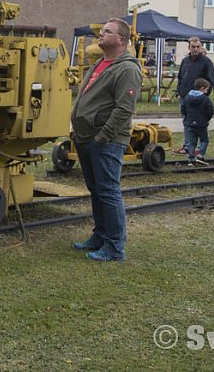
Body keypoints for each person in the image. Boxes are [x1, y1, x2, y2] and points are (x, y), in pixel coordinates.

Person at [70, 18, 142, 263]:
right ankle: (100, 236)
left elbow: (124, 109)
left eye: (107, 32)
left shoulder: (127, 68)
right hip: (86, 137)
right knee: (97, 190)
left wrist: (102, 137)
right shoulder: (101, 63)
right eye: (102, 31)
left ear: (121, 39)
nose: (101, 34)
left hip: (105, 140)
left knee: (109, 192)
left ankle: (114, 247)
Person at [173, 36, 214, 154]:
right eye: (193, 47)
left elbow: (211, 79)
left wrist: (205, 95)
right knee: (186, 122)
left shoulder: (206, 62)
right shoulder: (185, 61)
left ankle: (197, 147)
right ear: (189, 47)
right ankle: (187, 146)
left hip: (199, 98)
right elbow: (181, 77)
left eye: (198, 47)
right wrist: (179, 92)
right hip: (185, 97)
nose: (196, 49)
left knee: (199, 123)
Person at [182, 77, 214, 166]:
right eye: (207, 89)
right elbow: (210, 110)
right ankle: (200, 155)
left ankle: (191, 159)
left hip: (190, 122)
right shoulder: (205, 99)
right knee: (204, 140)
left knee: (191, 142)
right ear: (202, 88)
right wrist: (207, 119)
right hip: (201, 123)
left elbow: (183, 109)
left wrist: (186, 118)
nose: (207, 91)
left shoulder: (187, 97)